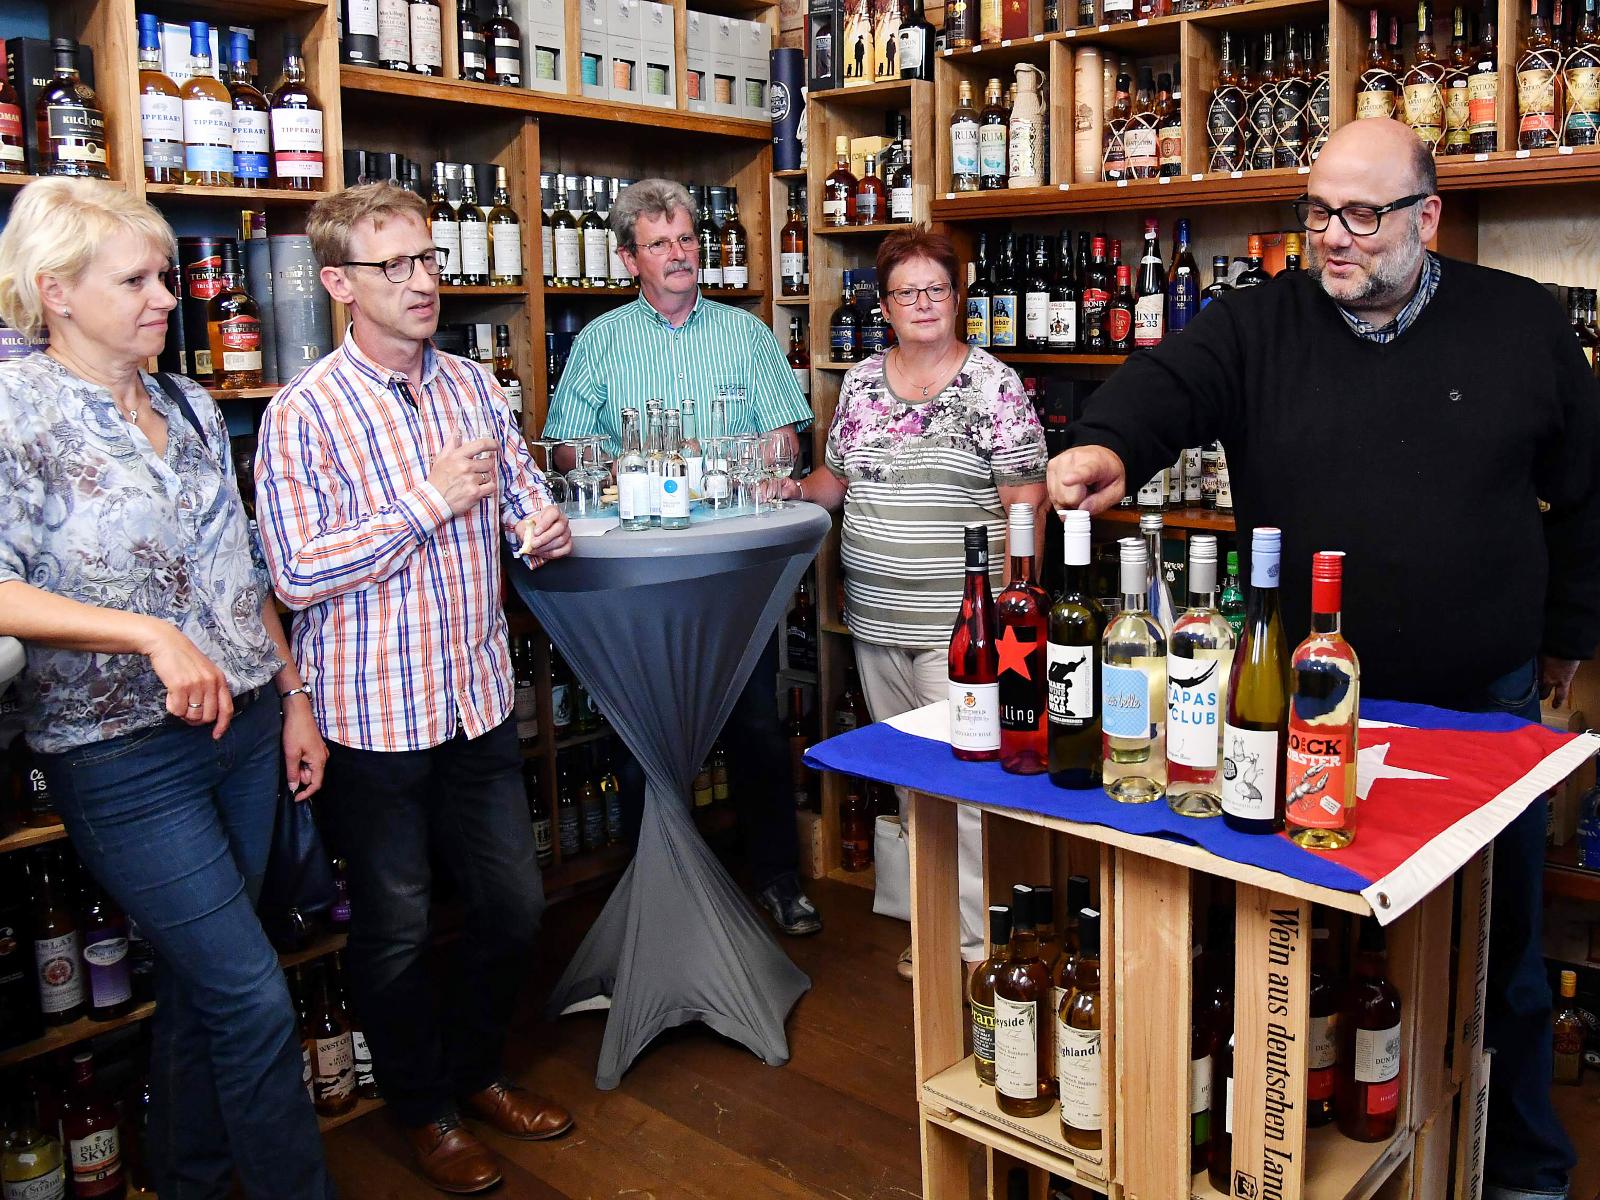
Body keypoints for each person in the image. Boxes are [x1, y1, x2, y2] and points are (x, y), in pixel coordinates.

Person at [1048, 118, 1600, 1200]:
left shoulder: (1520, 324)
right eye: (1316, 213)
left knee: (1503, 952)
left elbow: (1585, 498)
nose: (1333, 239)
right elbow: (1166, 386)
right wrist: (1105, 442)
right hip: (1295, 708)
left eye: (1362, 215)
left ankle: (1521, 1168)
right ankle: (1300, 1142)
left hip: (1476, 706)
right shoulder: (1258, 325)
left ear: (1426, 218)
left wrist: (1564, 647)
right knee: (1298, 939)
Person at [0, 178, 335, 1198]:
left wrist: (294, 696)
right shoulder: (14, 408)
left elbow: (236, 567)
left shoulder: (187, 398)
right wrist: (146, 633)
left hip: (247, 727)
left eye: (162, 276)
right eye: (138, 278)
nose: (166, 296)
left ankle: (188, 1179)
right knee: (252, 1000)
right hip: (122, 754)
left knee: (202, 991)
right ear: (56, 291)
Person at [253, 183, 574, 1196]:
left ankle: (477, 1069)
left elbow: (518, 485)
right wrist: (428, 500)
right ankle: (425, 1109)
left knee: (514, 907)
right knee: (391, 931)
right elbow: (297, 572)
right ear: (340, 283)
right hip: (372, 719)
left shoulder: (473, 385)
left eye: (427, 258)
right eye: (394, 266)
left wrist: (538, 524)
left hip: (474, 697)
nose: (424, 281)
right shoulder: (302, 412)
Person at [543, 177, 823, 937]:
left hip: (733, 569)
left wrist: (733, 452)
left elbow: (790, 441)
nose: (679, 255)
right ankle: (654, 895)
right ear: (629, 257)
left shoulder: (746, 334)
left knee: (758, 726)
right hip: (641, 574)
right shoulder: (599, 341)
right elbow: (565, 444)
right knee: (641, 734)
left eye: (687, 240)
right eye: (660, 243)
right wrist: (638, 457)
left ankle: (776, 878)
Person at [773, 228, 1050, 979]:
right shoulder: (861, 383)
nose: (922, 303)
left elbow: (1026, 509)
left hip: (963, 630)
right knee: (910, 781)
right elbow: (839, 482)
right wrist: (787, 491)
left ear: (958, 300)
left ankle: (974, 947)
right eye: (906, 292)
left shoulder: (994, 386)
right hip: (875, 621)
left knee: (964, 785)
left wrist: (1016, 617)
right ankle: (937, 925)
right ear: (885, 306)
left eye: (936, 290)